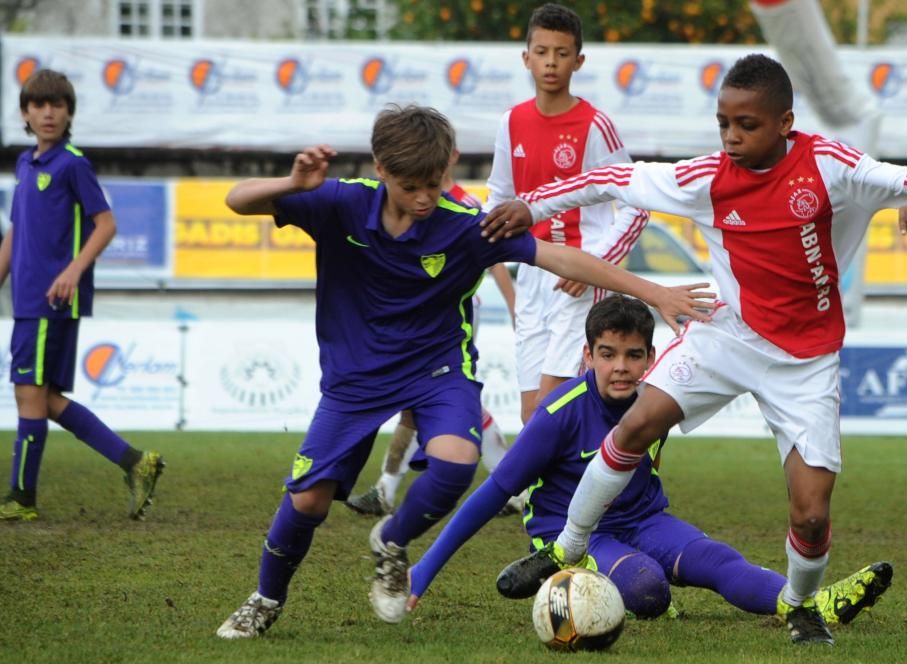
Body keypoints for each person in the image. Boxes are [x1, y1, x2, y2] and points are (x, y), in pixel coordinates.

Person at [484, 54, 907, 645]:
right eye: (723, 123)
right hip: (726, 334)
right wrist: (532, 206)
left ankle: (803, 605)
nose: (731, 137)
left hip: (806, 361)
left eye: (746, 125)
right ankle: (566, 547)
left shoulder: (828, 165)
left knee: (811, 513)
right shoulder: (706, 178)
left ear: (784, 122)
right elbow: (611, 179)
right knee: (635, 425)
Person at [215, 104, 713, 638]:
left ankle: (392, 541)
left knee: (457, 461)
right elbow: (236, 200)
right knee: (308, 501)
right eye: (412, 186)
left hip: (436, 370)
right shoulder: (341, 201)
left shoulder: (464, 228)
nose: (427, 197)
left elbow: (561, 258)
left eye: (435, 183)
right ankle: (265, 598)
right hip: (353, 379)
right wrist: (293, 182)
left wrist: (655, 290)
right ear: (381, 170)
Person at [404, 295, 893, 628]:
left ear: (651, 356)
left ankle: (810, 604)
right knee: (647, 590)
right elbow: (491, 495)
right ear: (588, 355)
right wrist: (424, 569)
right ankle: (576, 580)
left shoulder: (659, 399)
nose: (621, 367)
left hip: (644, 520)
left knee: (720, 561)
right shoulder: (558, 416)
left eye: (633, 355)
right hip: (575, 534)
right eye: (607, 353)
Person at [0, 70, 164, 523]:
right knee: (43, 397)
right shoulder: (25, 164)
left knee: (28, 393)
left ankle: (21, 498)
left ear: (69, 112)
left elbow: (106, 223)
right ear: (25, 114)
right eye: (38, 105)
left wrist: (73, 270)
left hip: (51, 298)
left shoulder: (73, 164)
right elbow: (16, 231)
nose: (48, 112)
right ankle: (135, 462)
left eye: (57, 105)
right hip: (28, 297)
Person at [485, 3, 650, 424]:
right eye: (541, 52)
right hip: (533, 275)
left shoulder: (595, 125)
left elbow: (637, 203)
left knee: (551, 408)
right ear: (526, 58)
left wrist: (594, 265)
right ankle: (570, 485)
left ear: (578, 60)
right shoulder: (511, 121)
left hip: (580, 278)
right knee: (530, 415)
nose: (551, 62)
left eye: (561, 53)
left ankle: (604, 480)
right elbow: (499, 196)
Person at [346, 150, 520, 518]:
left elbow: (496, 259)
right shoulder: (406, 204)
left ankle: (387, 490)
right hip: (415, 316)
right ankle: (508, 487)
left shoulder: (465, 205)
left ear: (451, 157)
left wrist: (512, 303)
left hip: (453, 315)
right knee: (423, 401)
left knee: (429, 395)